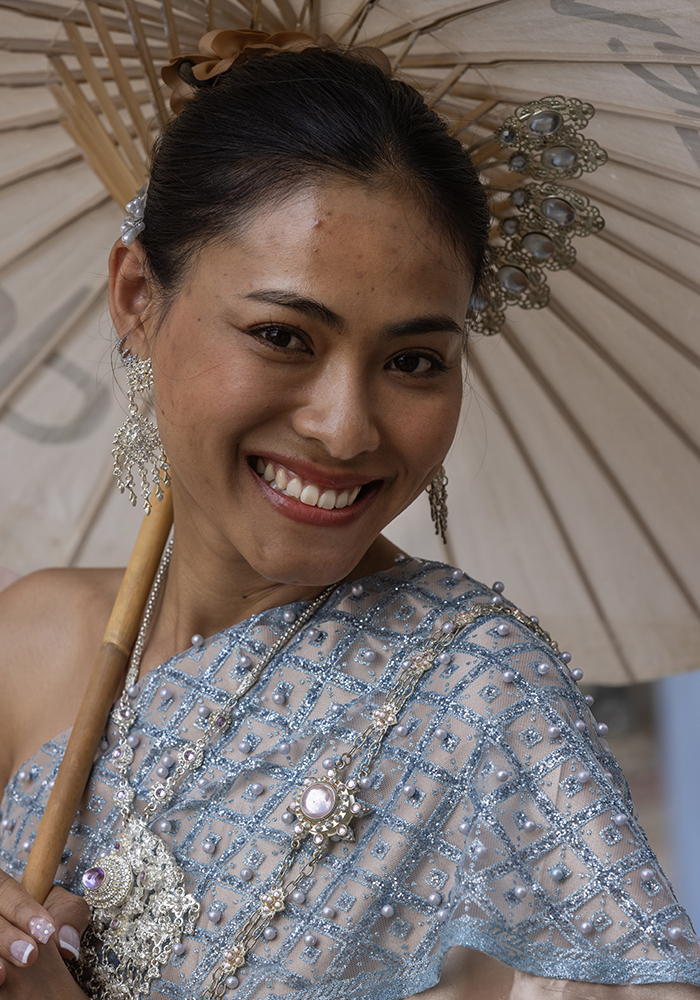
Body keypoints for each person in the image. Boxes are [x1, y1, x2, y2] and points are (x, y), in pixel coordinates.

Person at [0, 37, 698, 1000]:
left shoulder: (483, 707)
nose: (344, 428)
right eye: (283, 336)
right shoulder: (25, 644)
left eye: (413, 361)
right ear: (136, 298)